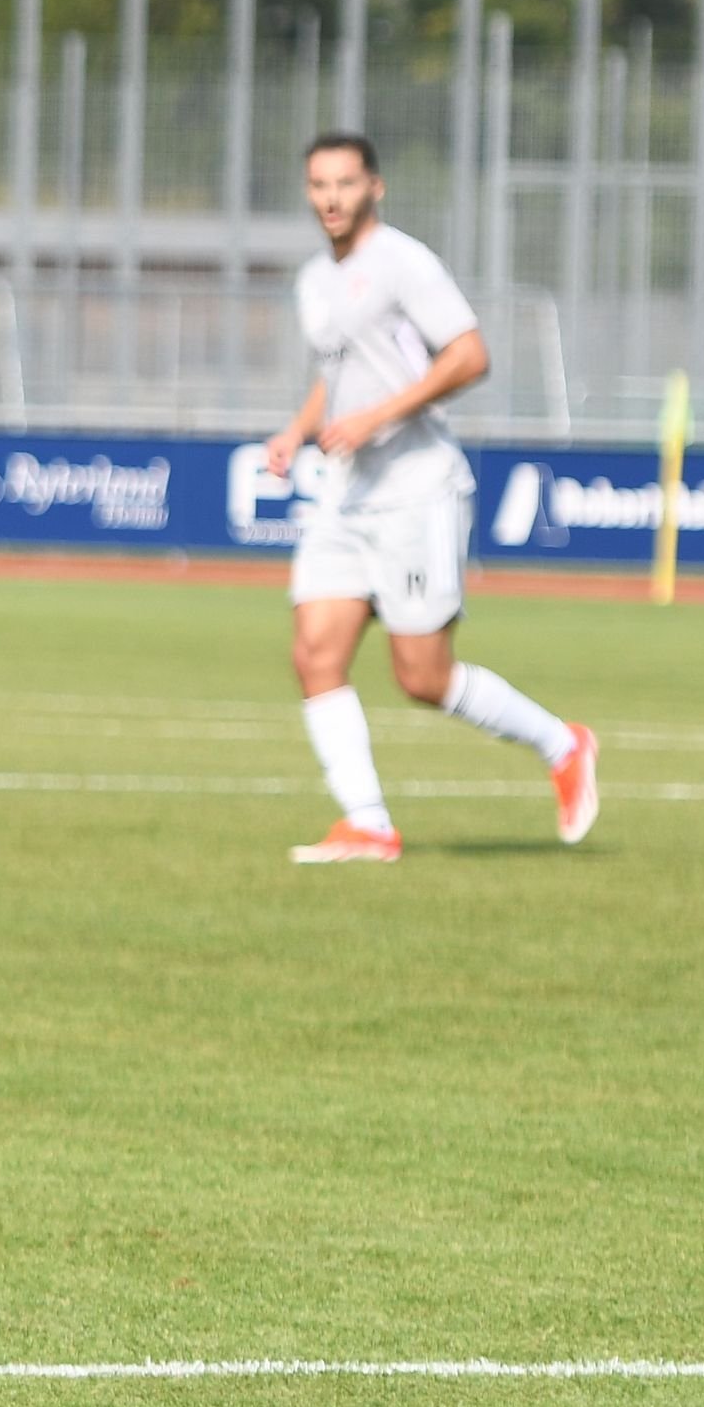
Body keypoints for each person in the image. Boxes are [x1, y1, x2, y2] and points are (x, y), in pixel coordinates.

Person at [262, 133, 598, 862]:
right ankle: (368, 823)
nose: (331, 197)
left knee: (423, 676)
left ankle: (562, 743)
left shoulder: (404, 263)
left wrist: (378, 416)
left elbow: (469, 353)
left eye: (345, 183)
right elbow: (338, 372)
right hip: (347, 496)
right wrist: (297, 430)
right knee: (315, 652)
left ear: (375, 188)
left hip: (417, 489)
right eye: (319, 183)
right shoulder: (316, 279)